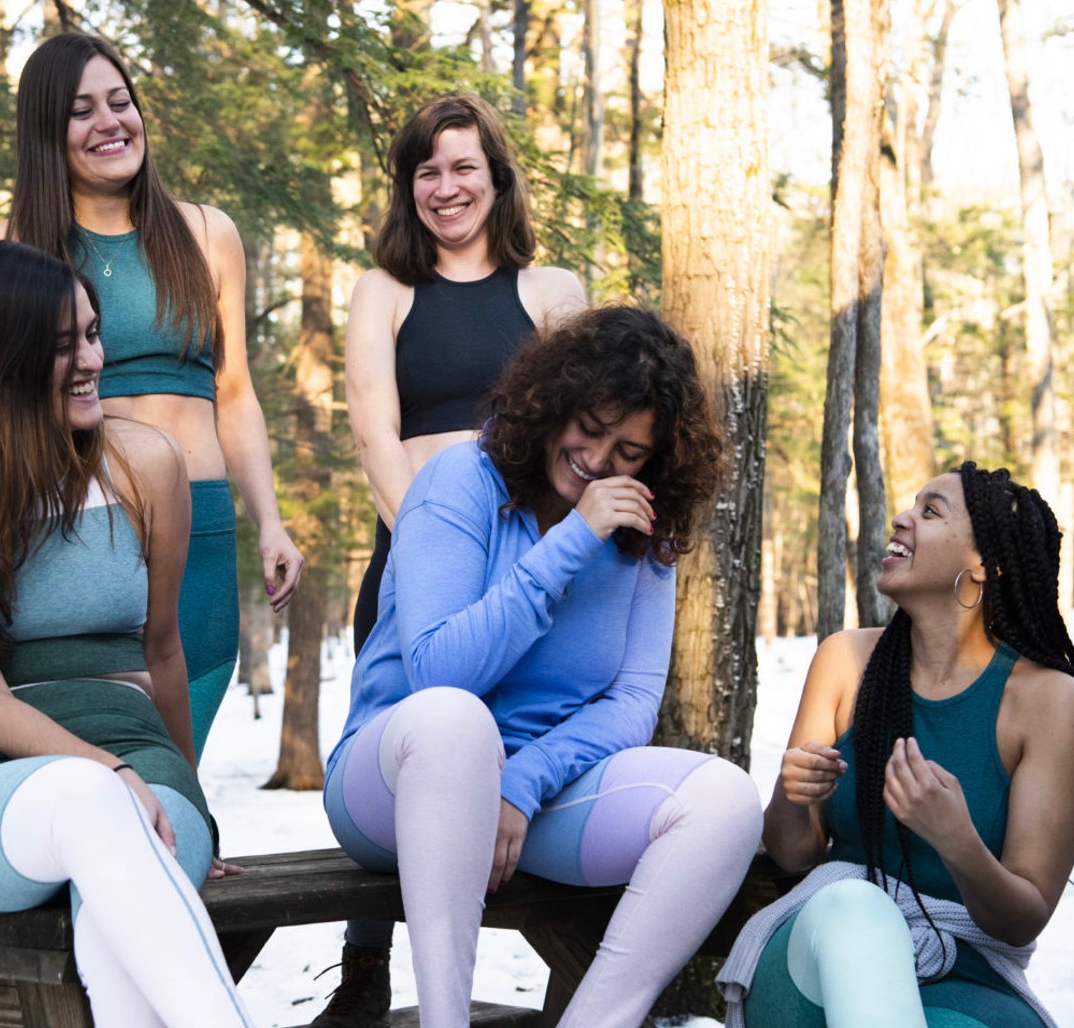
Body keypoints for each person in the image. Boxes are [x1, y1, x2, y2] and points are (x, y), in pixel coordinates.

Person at [322, 304, 764, 1028]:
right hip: (394, 784)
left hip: (530, 801)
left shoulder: (642, 525)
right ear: (553, 401)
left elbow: (632, 702)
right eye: (588, 429)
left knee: (724, 801)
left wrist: (522, 785)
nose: (598, 461)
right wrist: (569, 544)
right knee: (453, 722)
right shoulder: (460, 480)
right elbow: (440, 672)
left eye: (628, 451)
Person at [0, 241, 253, 1027]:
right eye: (60, 345)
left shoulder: (146, 462)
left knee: (125, 910)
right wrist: (109, 775)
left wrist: (188, 801)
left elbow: (164, 652)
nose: (91, 360)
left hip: (142, 759)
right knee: (87, 798)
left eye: (92, 333)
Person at [319, 92, 586, 1025]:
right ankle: (365, 969)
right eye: (427, 171)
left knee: (510, 737)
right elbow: (372, 432)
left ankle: (560, 952)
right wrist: (434, 543)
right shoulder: (383, 292)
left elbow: (576, 433)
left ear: (497, 177)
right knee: (399, 739)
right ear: (409, 188)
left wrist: (517, 557)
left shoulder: (551, 293)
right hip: (411, 559)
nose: (446, 187)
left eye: (463, 166)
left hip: (528, 560)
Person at [0, 32, 302, 760]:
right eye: (81, 110)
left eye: (121, 102)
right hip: (76, 531)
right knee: (111, 739)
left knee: (187, 725)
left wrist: (270, 522)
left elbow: (236, 393)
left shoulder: (206, 232)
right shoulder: (8, 245)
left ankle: (182, 826)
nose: (110, 123)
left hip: (204, 524)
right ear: (44, 132)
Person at [718, 463, 1074, 1028]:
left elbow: (1023, 918)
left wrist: (957, 841)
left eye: (931, 511)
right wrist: (793, 792)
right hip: (815, 961)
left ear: (983, 567)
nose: (900, 518)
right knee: (858, 907)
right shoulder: (847, 661)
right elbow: (794, 852)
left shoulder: (1051, 703)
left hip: (967, 977)